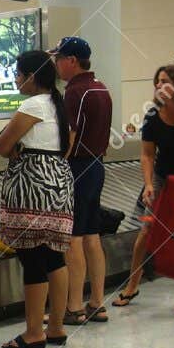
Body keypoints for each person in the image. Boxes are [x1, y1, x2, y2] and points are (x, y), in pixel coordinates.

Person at [0, 51, 73, 348]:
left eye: (18, 74)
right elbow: (68, 144)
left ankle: (33, 332)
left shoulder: (32, 104)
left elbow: (2, 145)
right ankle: (56, 328)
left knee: (32, 256)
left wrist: (18, 150)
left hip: (31, 184)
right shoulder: (58, 103)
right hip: (58, 181)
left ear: (31, 76)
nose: (15, 79)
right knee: (54, 256)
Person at [114, 64, 174, 312]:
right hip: (163, 176)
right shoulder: (153, 115)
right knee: (147, 229)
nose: (158, 85)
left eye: (164, 80)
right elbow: (147, 154)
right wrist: (148, 184)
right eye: (157, 81)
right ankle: (132, 285)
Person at [55, 36, 113, 325]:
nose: (56, 65)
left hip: (77, 166)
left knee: (74, 238)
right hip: (96, 165)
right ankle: (97, 303)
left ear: (72, 61)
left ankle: (74, 306)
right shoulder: (101, 88)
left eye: (58, 59)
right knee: (92, 235)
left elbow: (70, 135)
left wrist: (57, 167)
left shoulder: (75, 92)